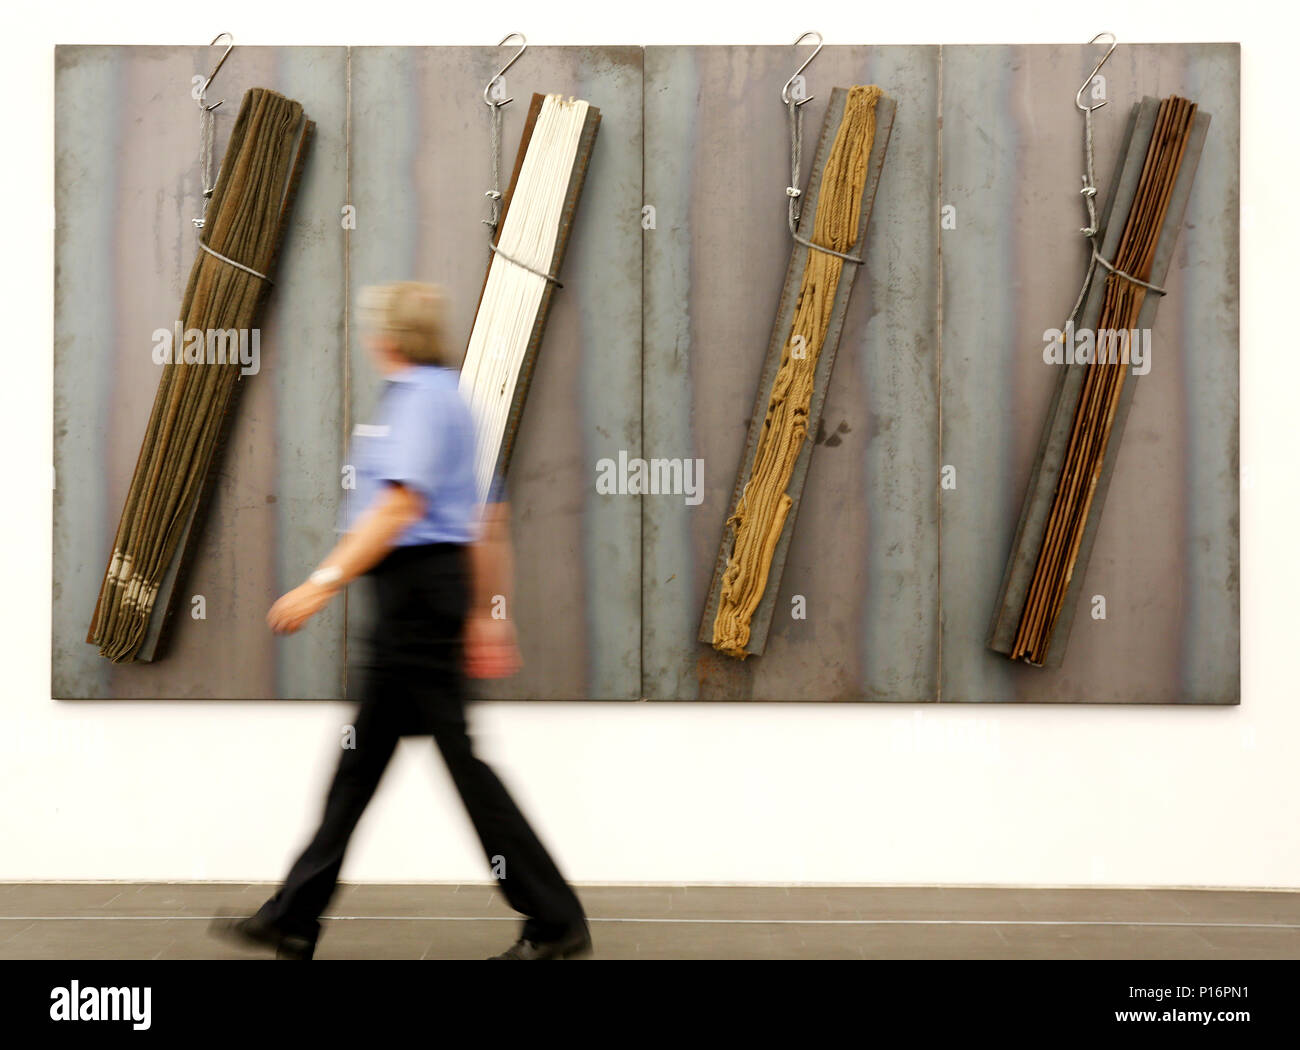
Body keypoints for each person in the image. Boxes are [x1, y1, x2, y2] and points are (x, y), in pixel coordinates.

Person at [210, 282, 589, 960]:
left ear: (387, 338)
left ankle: (556, 922)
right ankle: (294, 916)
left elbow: (398, 510)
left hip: (413, 603)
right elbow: (487, 519)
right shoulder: (451, 399)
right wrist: (483, 613)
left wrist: (320, 584)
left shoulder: (417, 401)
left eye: (372, 328)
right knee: (363, 769)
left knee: (452, 771)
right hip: (430, 597)